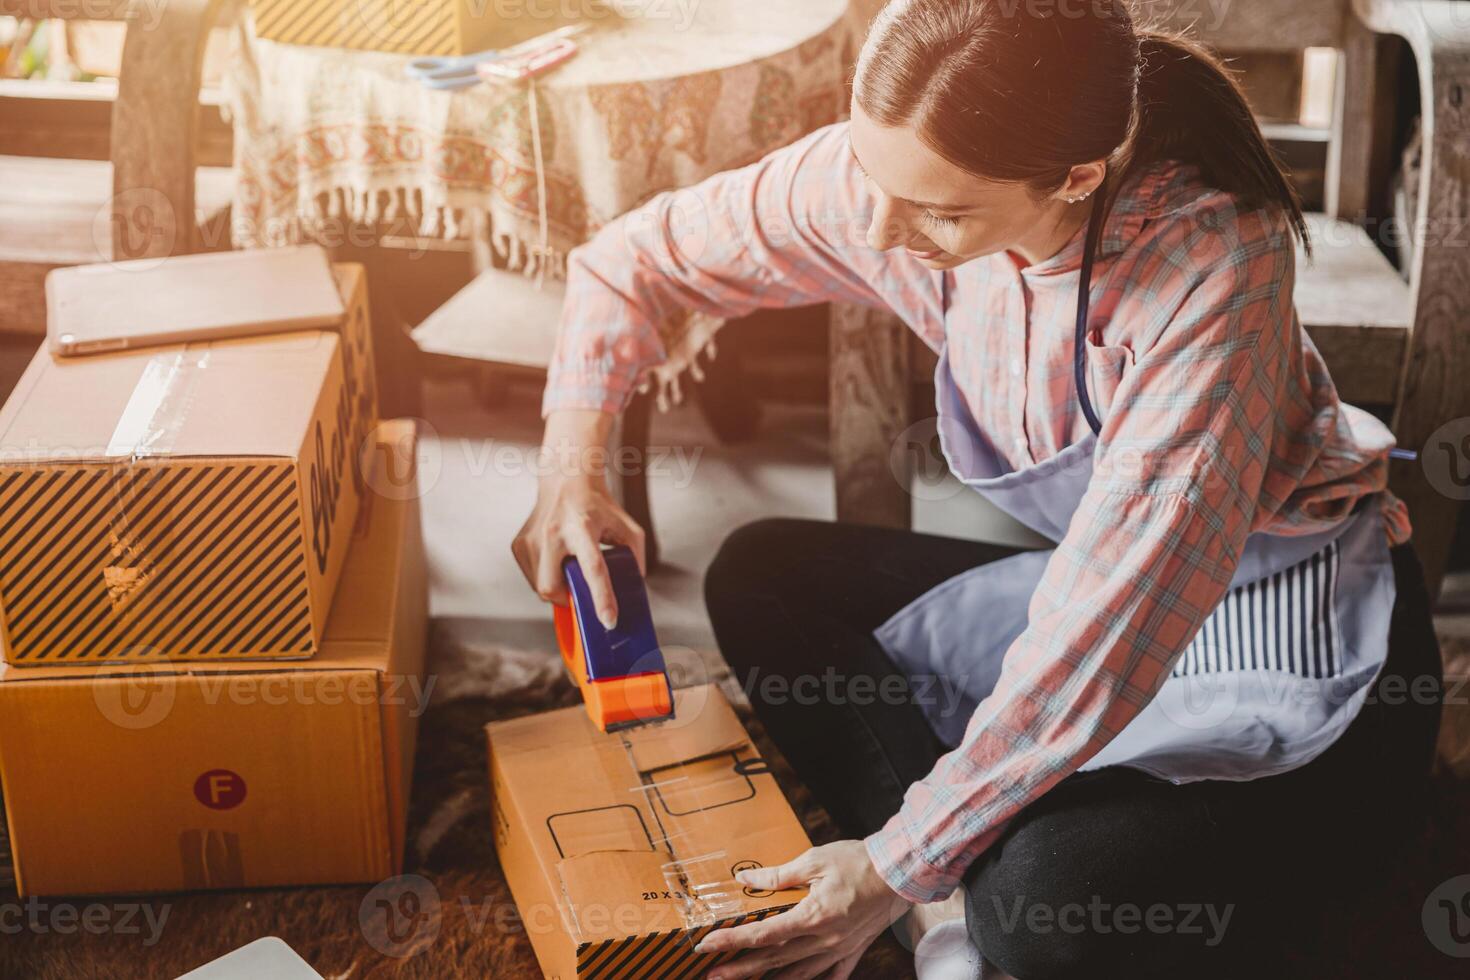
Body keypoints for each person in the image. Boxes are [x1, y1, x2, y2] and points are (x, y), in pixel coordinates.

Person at [512, 1, 1443, 976]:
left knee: (1043, 908)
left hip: (1297, 636)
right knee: (760, 574)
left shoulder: (1212, 263)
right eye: (873, 177)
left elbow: (1109, 628)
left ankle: (964, 885)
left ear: (1077, 177)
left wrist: (892, 863)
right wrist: (570, 468)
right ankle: (964, 872)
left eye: (941, 211)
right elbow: (630, 261)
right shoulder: (898, 176)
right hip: (1110, 588)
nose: (875, 226)